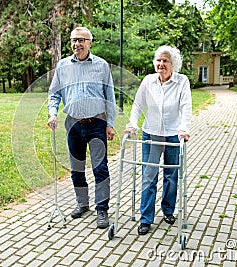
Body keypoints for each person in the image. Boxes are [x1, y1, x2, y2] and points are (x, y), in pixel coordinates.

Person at [47, 27, 116, 229]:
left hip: (96, 124)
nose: (77, 44)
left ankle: (102, 209)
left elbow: (109, 96)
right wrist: (52, 113)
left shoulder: (101, 66)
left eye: (81, 40)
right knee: (77, 168)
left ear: (90, 43)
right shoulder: (63, 66)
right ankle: (82, 203)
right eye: (73, 40)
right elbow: (54, 94)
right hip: (73, 124)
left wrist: (110, 124)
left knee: (100, 168)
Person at [125, 45, 192, 235]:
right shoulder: (148, 81)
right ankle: (146, 218)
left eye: (165, 61)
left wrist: (184, 128)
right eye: (159, 60)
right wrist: (132, 124)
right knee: (148, 176)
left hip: (173, 134)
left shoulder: (182, 81)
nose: (161, 64)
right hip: (151, 133)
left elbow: (186, 107)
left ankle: (168, 211)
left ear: (173, 64)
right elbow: (138, 105)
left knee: (171, 176)